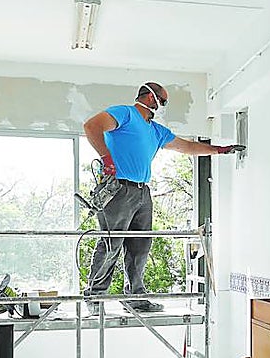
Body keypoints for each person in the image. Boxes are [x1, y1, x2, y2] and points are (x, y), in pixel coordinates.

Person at [82, 81, 243, 312]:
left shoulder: (155, 130)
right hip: (118, 189)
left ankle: (135, 298)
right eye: (163, 100)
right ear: (150, 98)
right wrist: (106, 158)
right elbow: (91, 126)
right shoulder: (125, 114)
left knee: (141, 245)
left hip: (142, 192)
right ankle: (94, 297)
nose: (163, 105)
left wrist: (219, 150)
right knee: (111, 243)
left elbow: (187, 147)